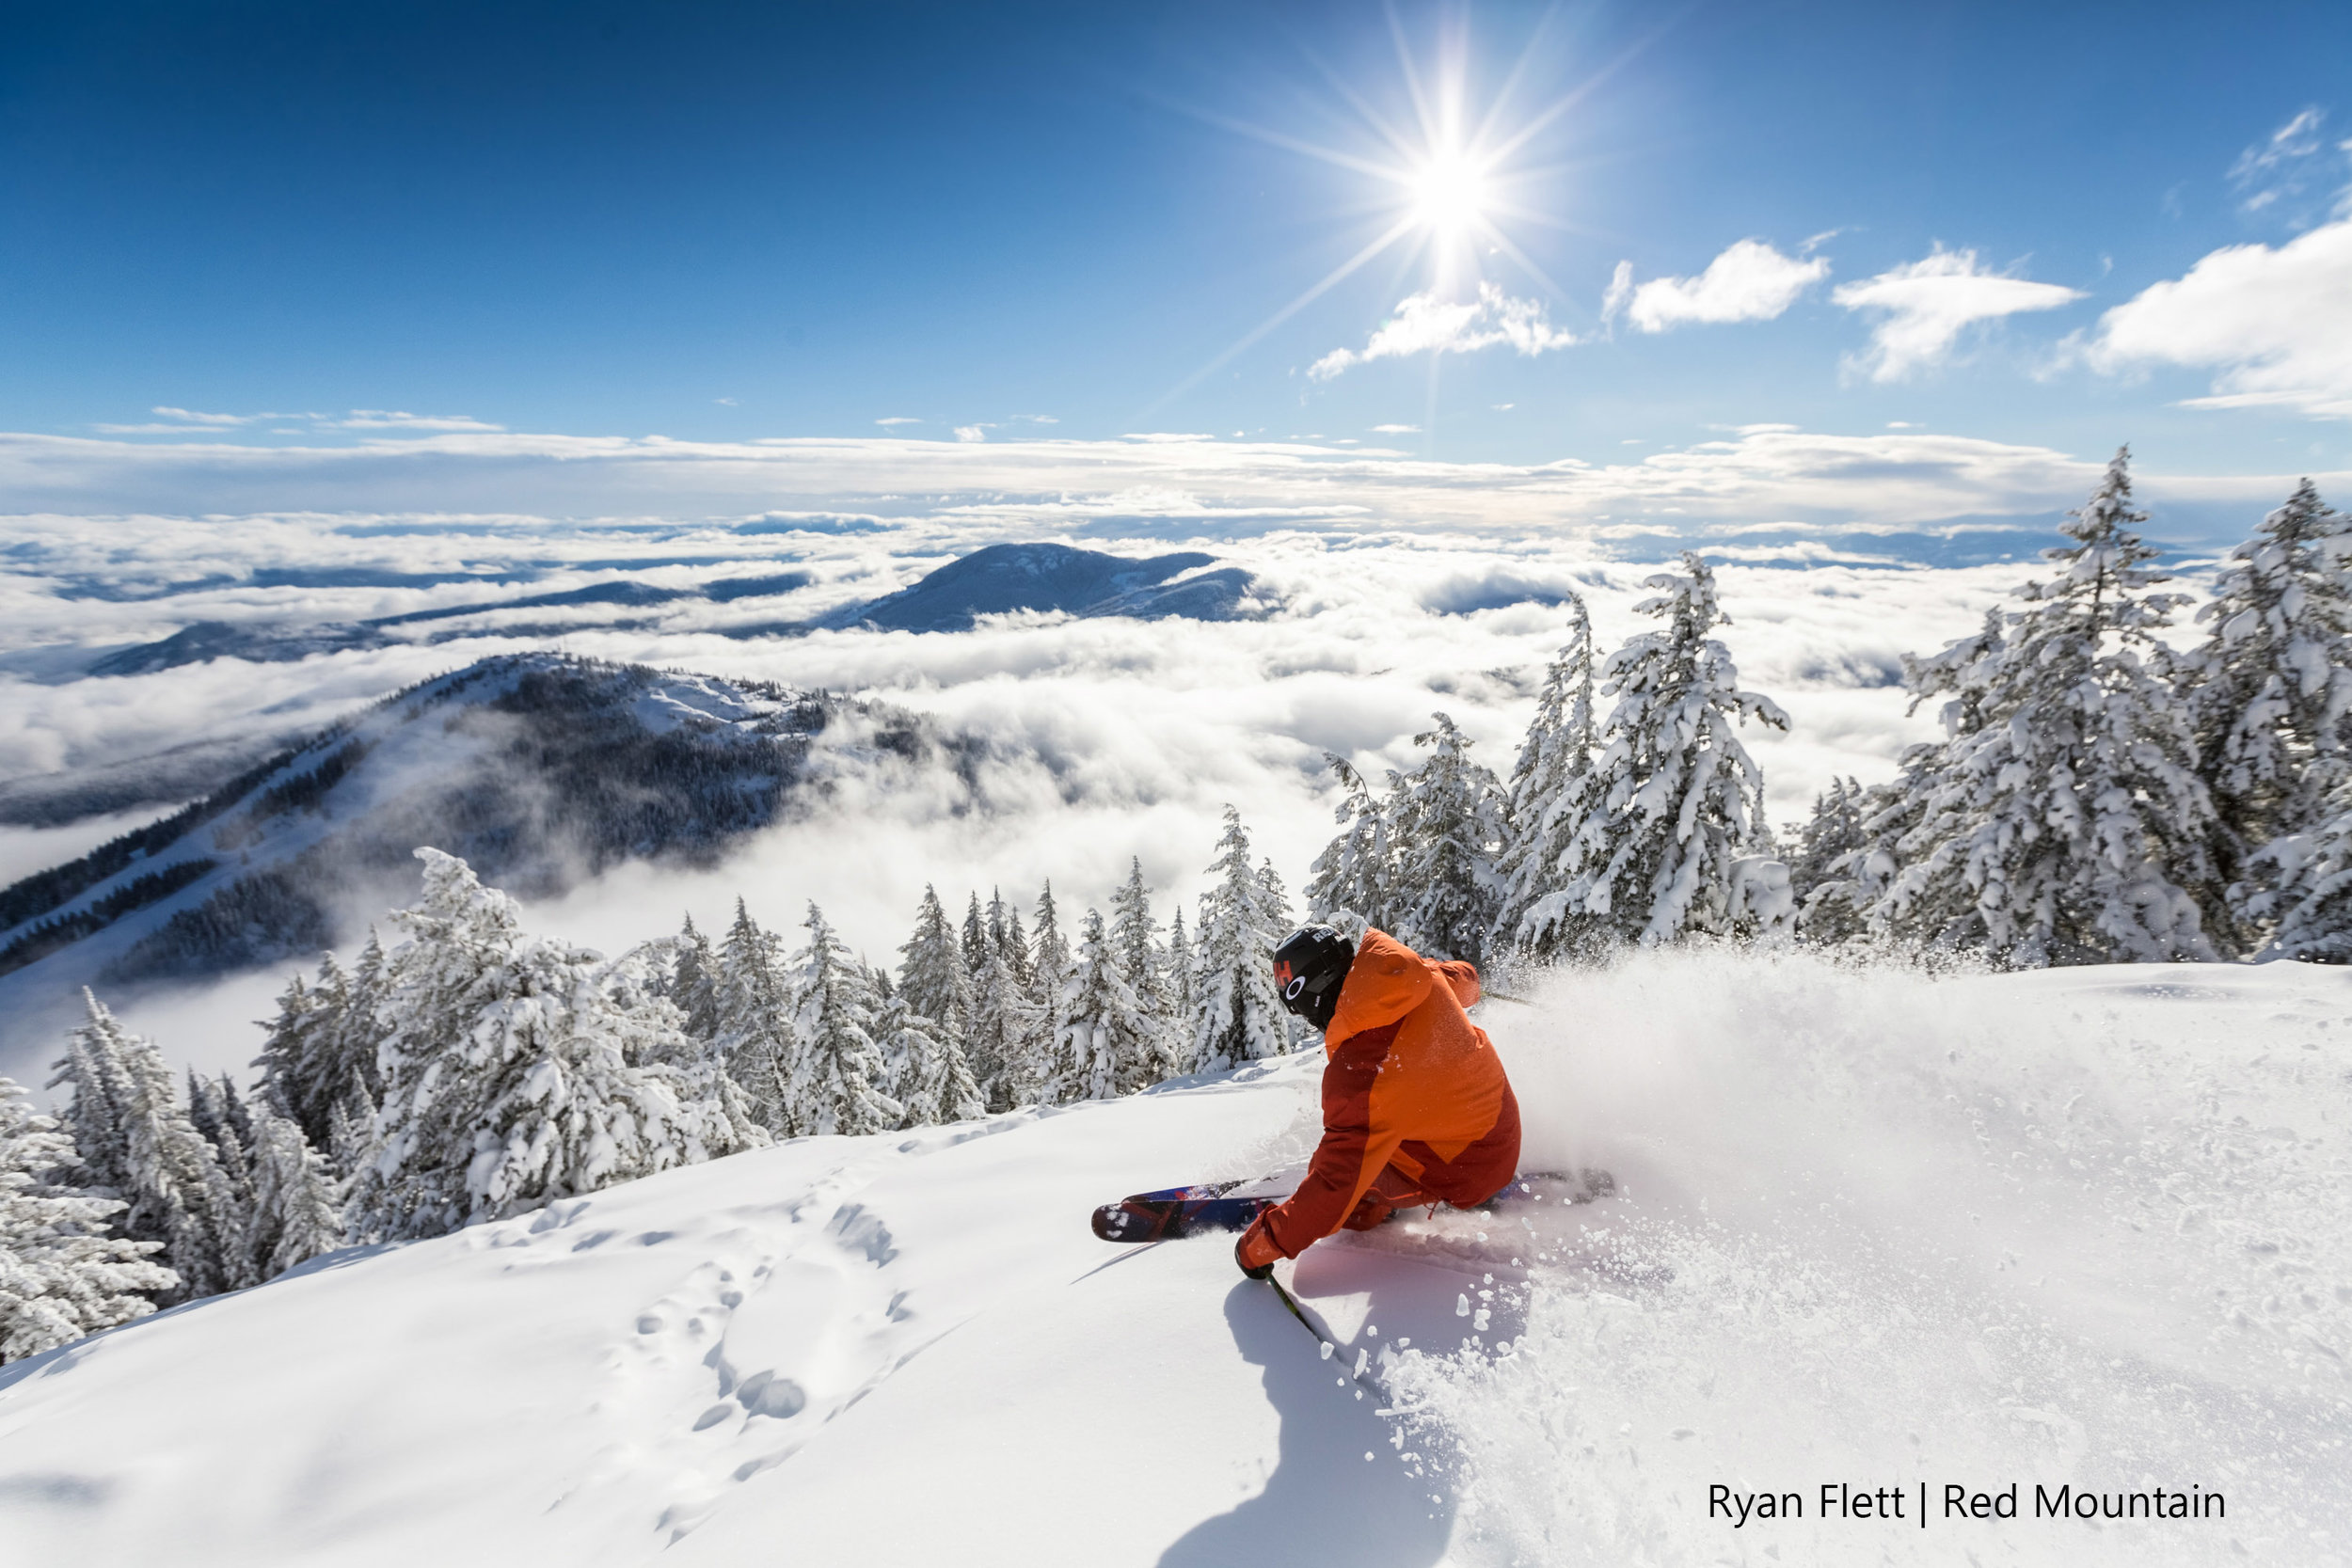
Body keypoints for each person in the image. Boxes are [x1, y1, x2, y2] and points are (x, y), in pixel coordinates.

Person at [1234, 924, 1521, 1278]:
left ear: (1311, 993)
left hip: (1467, 1175)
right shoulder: (1415, 977)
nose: (1305, 1019)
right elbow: (1464, 977)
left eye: (1298, 1006)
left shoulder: (1362, 1070)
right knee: (1367, 1131)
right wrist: (1469, 982)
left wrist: (1262, 1245)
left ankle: (1383, 1203)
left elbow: (1335, 1187)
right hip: (1495, 1128)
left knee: (1355, 1184)